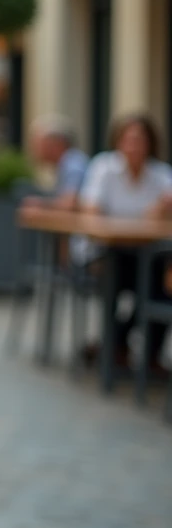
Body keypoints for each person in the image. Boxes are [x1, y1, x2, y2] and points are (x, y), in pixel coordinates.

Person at [79, 114, 172, 373]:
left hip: (148, 253)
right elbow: (91, 210)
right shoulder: (104, 168)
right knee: (119, 275)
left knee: (161, 287)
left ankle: (139, 352)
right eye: (129, 139)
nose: (134, 145)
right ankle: (114, 348)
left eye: (140, 139)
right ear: (118, 141)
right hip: (108, 252)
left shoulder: (161, 174)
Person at [24, 115, 88, 209]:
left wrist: (41, 204)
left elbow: (70, 203)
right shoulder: (66, 163)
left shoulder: (73, 165)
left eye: (38, 144)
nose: (34, 150)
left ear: (55, 144)